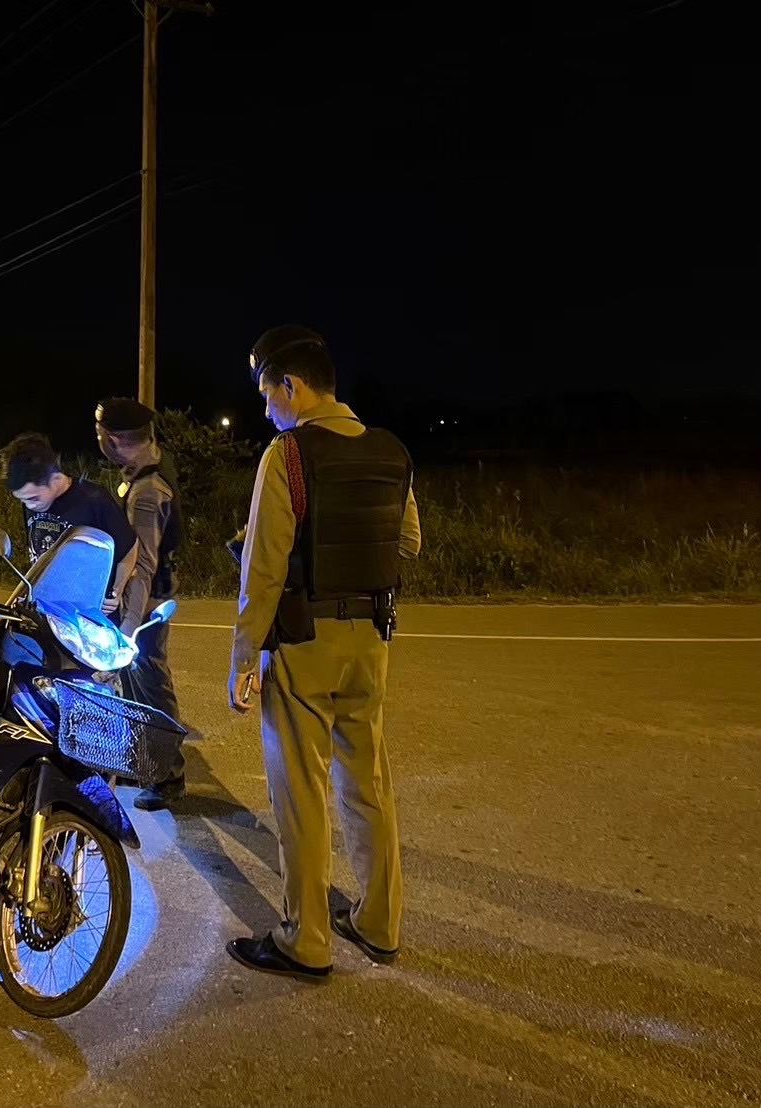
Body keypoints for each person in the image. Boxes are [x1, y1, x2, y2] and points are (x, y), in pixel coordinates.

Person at [224, 325, 421, 981]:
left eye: (267, 395)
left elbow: (262, 569)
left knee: (301, 792)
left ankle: (305, 940)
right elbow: (409, 542)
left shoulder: (288, 454)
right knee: (368, 783)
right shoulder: (391, 450)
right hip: (371, 641)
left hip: (303, 642)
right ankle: (378, 923)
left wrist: (243, 658)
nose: (266, 410)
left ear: (292, 385)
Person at [94, 396, 201, 810]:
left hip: (147, 604)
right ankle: (146, 762)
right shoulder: (149, 465)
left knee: (151, 686)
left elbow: (142, 567)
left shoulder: (147, 491)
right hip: (150, 597)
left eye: (103, 436)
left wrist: (127, 631)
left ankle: (169, 777)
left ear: (116, 441)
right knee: (138, 686)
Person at [0, 431, 138, 616]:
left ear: (55, 478)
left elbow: (129, 547)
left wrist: (117, 591)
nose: (30, 505)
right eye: (22, 500)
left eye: (33, 498)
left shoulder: (94, 500)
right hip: (46, 612)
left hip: (88, 616)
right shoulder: (32, 501)